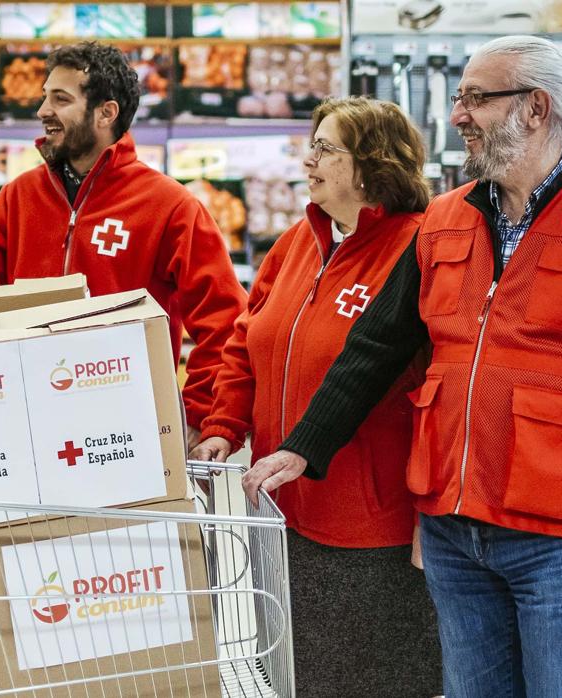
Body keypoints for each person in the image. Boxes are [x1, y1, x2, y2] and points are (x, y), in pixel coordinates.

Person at [242, 35, 562, 697]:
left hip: (561, 536)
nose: (458, 115)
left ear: (536, 109)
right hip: (453, 529)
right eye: (459, 98)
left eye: (476, 99)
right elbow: (375, 348)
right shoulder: (442, 221)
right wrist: (305, 447)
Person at [190, 97, 441, 697]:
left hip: (371, 522)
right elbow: (246, 340)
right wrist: (225, 424)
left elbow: (442, 387)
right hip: (281, 509)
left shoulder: (418, 249)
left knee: (373, 681)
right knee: (297, 676)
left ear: (371, 164)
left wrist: (432, 512)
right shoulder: (297, 243)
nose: (310, 159)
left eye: (326, 148)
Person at [0, 41, 247, 444]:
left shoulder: (169, 206)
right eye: (44, 98)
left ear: (106, 113)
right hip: (24, 423)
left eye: (60, 99)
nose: (42, 112)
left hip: (131, 431)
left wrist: (201, 414)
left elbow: (225, 322)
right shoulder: (17, 199)